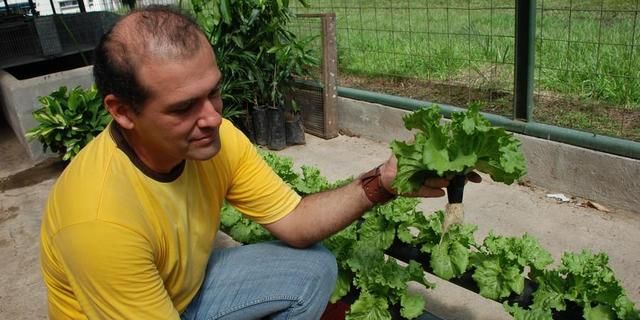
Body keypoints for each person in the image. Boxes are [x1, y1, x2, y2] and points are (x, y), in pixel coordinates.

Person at [39, 5, 480, 320]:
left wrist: (382, 182)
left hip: (184, 292)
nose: (212, 117)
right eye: (182, 107)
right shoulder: (99, 223)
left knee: (316, 267)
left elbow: (296, 222)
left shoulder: (215, 139)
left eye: (213, 91)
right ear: (123, 112)